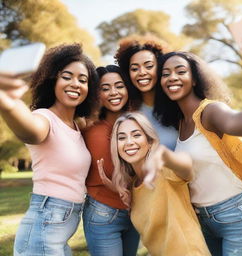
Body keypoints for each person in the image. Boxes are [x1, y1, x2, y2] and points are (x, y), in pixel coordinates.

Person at [154, 51, 242, 256]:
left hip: (236, 214)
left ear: (194, 79)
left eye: (180, 71)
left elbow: (234, 121)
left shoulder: (210, 111)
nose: (172, 77)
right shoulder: (180, 124)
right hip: (205, 221)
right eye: (165, 74)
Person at [0, 43, 98, 256]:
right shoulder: (44, 118)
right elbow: (30, 130)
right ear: (52, 79)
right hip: (43, 230)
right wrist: (7, 102)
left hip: (57, 233)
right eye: (67, 76)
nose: (75, 84)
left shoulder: (77, 125)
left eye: (83, 80)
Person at [99, 111, 211, 256]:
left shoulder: (165, 172)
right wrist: (116, 188)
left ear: (150, 141)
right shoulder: (133, 186)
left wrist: (164, 154)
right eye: (121, 138)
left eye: (136, 135)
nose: (129, 142)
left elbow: (187, 167)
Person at [81, 65, 139, 256]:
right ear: (96, 94)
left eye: (119, 86)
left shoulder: (137, 123)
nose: (113, 92)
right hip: (104, 212)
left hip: (134, 211)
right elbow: (112, 171)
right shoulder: (91, 127)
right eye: (105, 88)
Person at [115, 35, 178, 150]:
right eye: (134, 69)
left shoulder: (177, 106)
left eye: (149, 66)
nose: (142, 72)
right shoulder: (127, 113)